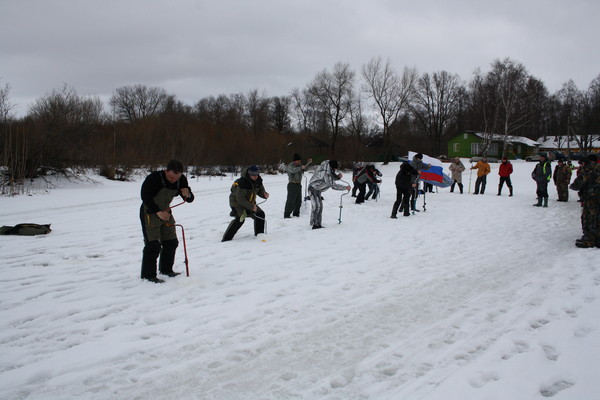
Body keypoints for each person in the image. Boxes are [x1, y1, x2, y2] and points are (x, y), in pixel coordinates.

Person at [140, 159, 195, 283]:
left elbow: (189, 199)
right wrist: (158, 212)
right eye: (170, 177)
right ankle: (148, 276)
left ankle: (166, 270)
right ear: (166, 171)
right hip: (150, 212)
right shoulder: (154, 178)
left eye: (176, 178)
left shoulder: (181, 180)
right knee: (153, 245)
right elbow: (145, 196)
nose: (173, 180)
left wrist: (188, 194)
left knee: (171, 242)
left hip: (166, 212)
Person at [222, 165, 269, 241]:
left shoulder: (258, 181)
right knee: (240, 219)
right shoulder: (242, 182)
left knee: (260, 214)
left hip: (249, 203)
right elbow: (240, 199)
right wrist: (251, 207)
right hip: (237, 203)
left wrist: (264, 194)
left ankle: (259, 235)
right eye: (253, 174)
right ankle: (226, 238)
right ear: (249, 174)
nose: (255, 176)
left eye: (256, 174)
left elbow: (260, 191)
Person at [308, 160, 351, 229]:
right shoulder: (326, 173)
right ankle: (315, 225)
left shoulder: (327, 169)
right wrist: (345, 187)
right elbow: (333, 185)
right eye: (335, 168)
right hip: (312, 188)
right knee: (317, 206)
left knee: (319, 206)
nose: (336, 169)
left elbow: (331, 177)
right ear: (332, 167)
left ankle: (317, 223)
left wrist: (337, 177)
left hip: (318, 189)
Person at [569, 155, 600, 248]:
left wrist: (573, 186)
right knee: (598, 218)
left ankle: (589, 240)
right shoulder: (598, 168)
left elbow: (577, 184)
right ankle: (597, 239)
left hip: (591, 198)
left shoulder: (588, 170)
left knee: (589, 218)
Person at [284, 153, 312, 218]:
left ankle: (296, 214)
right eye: (298, 161)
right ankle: (287, 214)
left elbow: (305, 168)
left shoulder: (300, 165)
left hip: (298, 185)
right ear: (294, 161)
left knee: (298, 200)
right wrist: (300, 168)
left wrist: (308, 163)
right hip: (292, 184)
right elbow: (293, 171)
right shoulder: (290, 166)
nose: (299, 162)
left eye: (300, 161)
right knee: (290, 200)